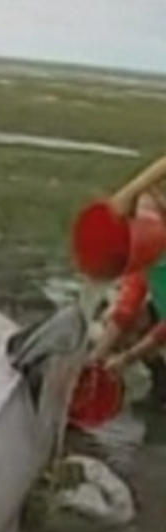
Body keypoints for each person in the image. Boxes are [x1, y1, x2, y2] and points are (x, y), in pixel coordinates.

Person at [90, 154, 166, 397]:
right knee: (111, 320)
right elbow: (126, 308)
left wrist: (127, 359)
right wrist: (95, 359)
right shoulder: (143, 250)